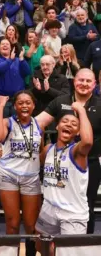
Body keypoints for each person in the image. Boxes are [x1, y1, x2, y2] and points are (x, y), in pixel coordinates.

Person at [35, 103, 92, 254]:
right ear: (58, 126)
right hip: (49, 207)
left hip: (72, 212)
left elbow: (87, 142)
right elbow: (37, 159)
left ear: (78, 132)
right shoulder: (48, 149)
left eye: (74, 124)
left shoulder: (77, 152)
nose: (68, 124)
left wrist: (81, 110)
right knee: (41, 246)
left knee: (67, 252)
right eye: (65, 121)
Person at [0, 91, 43, 256]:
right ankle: (11, 253)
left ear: (33, 105)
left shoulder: (38, 125)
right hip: (9, 175)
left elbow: (40, 152)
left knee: (30, 225)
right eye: (20, 103)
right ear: (15, 106)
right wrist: (0, 106)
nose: (24, 106)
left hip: (31, 177)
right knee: (12, 223)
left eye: (28, 102)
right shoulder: (8, 122)